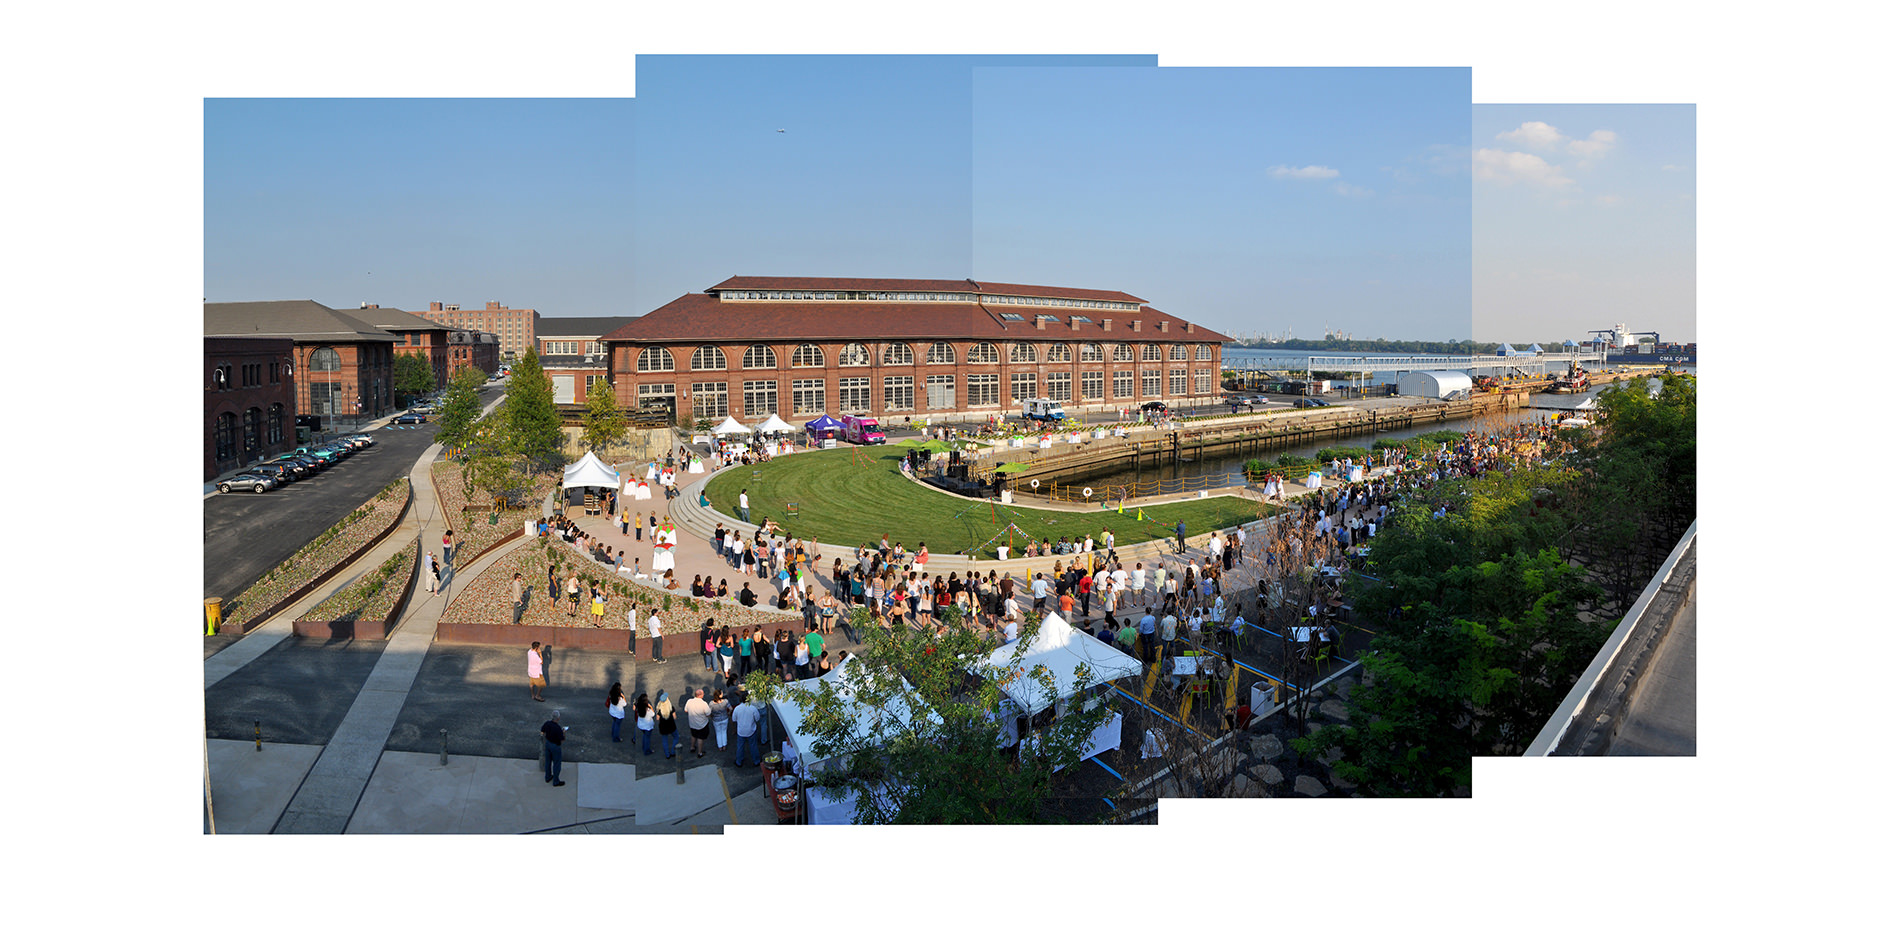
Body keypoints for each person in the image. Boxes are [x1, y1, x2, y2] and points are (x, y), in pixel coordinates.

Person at [732, 692, 760, 769]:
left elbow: (734, 719)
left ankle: (739, 761)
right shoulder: (753, 708)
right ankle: (756, 761)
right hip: (751, 730)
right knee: (753, 746)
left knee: (740, 747)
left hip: (741, 731)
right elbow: (757, 718)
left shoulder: (737, 708)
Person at [540, 709, 567, 787]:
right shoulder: (558, 728)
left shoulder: (547, 724)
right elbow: (562, 739)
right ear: (558, 718)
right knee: (557, 763)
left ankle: (547, 777)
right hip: (555, 746)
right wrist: (564, 733)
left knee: (548, 761)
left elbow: (542, 731)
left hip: (548, 744)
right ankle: (556, 781)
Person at [684, 688, 712, 758]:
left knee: (693, 735)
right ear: (700, 695)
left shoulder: (689, 701)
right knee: (700, 738)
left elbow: (686, 710)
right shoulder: (703, 703)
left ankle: (692, 747)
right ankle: (700, 752)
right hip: (702, 724)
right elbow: (708, 714)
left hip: (692, 723)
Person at [654, 692, 679, 759]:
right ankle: (673, 751)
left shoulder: (659, 709)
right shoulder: (671, 708)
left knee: (665, 741)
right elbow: (675, 717)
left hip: (663, 727)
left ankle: (667, 755)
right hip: (671, 725)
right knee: (676, 737)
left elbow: (657, 718)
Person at [709, 688, 731, 754]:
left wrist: (712, 716)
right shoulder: (725, 701)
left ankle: (720, 746)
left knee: (718, 733)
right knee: (724, 732)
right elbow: (731, 708)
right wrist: (728, 713)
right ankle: (724, 745)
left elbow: (709, 712)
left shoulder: (711, 703)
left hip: (716, 720)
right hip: (724, 718)